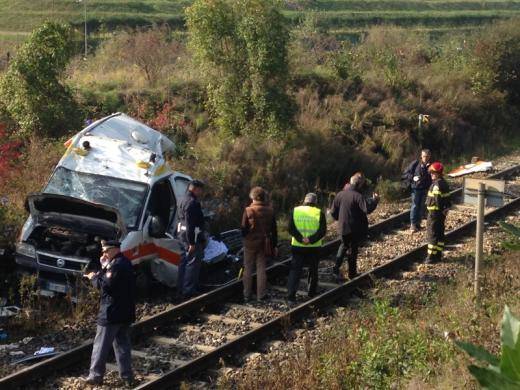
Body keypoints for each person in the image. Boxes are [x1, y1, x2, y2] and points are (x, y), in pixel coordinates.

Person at [83, 240, 136, 386]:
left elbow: (105, 285)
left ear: (115, 249)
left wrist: (93, 277)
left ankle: (95, 375)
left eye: (106, 251)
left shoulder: (116, 265)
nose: (104, 253)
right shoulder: (125, 262)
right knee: (122, 345)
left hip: (111, 312)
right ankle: (127, 377)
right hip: (125, 312)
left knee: (101, 345)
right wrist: (103, 267)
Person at [331, 172, 379, 279]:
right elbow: (367, 209)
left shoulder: (340, 194)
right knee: (353, 250)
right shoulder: (358, 196)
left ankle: (336, 267)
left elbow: (333, 212)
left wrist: (339, 219)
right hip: (355, 229)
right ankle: (352, 274)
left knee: (343, 245)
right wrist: (375, 201)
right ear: (359, 184)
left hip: (343, 227)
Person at [287, 193, 326, 302]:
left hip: (297, 246)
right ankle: (311, 293)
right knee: (313, 270)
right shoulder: (319, 213)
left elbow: (290, 228)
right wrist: (311, 239)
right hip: (314, 247)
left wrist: (300, 238)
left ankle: (291, 295)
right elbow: (322, 231)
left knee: (295, 270)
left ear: (304, 200)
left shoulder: (295, 211)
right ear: (315, 202)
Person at [241, 186, 278, 302]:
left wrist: (247, 238)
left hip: (250, 244)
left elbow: (243, 229)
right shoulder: (270, 210)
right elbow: (274, 230)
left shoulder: (248, 210)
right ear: (263, 197)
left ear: (253, 197)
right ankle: (260, 295)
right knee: (261, 269)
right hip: (264, 244)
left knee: (248, 269)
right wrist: (274, 245)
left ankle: (247, 294)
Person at [176, 179, 206, 300]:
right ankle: (188, 290)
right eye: (200, 190)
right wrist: (192, 243)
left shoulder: (181, 199)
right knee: (192, 263)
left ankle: (180, 288)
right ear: (194, 188)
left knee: (183, 262)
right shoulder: (192, 203)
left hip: (181, 235)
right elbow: (190, 224)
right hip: (191, 236)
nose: (201, 192)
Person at [425, 162, 451, 263]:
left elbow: (437, 200)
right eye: (431, 173)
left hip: (434, 214)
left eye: (433, 173)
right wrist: (445, 210)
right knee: (440, 234)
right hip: (441, 214)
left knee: (432, 234)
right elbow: (447, 200)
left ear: (438, 173)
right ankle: (438, 254)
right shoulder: (444, 183)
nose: (431, 174)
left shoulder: (436, 185)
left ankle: (430, 257)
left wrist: (438, 210)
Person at [402, 149, 432, 233]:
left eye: (427, 156)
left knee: (422, 206)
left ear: (429, 157)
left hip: (425, 189)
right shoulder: (415, 164)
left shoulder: (430, 166)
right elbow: (406, 173)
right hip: (416, 189)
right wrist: (413, 178)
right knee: (415, 206)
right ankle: (413, 224)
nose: (425, 158)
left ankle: (418, 223)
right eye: (424, 156)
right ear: (421, 156)